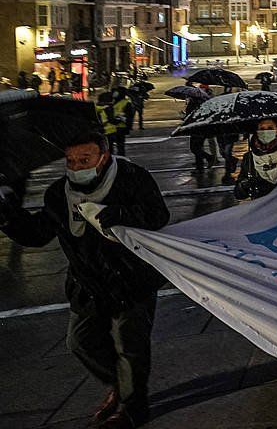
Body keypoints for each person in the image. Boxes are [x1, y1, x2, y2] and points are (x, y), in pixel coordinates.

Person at [0, 132, 170, 428]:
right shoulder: (58, 193)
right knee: (80, 341)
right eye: (70, 161)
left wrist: (119, 213)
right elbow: (38, 233)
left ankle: (132, 409)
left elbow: (158, 216)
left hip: (131, 279)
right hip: (87, 284)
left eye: (84, 160)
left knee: (130, 347)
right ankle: (119, 384)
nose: (77, 167)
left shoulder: (132, 177)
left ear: (103, 157)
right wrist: (8, 216)